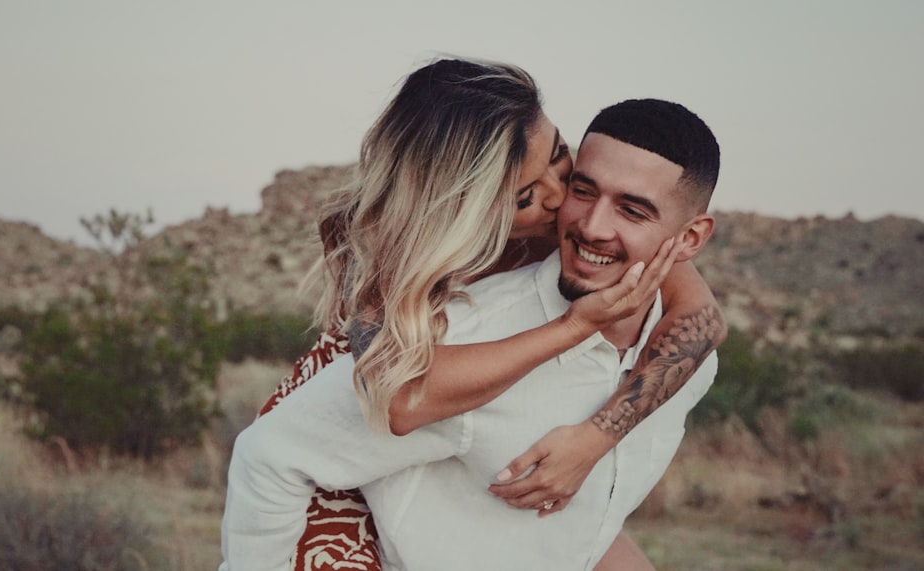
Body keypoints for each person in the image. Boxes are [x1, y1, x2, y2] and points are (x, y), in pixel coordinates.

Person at [221, 60, 722, 570]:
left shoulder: (604, 246)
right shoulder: (403, 286)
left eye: (559, 159)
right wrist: (572, 328)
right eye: (527, 195)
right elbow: (399, 401)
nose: (560, 202)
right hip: (328, 486)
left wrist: (598, 436)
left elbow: (701, 319)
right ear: (468, 208)